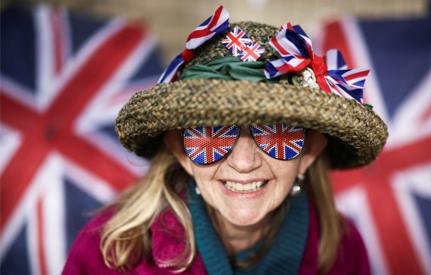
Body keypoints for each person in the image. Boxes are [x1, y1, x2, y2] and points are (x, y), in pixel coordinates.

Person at [63, 6, 387, 275]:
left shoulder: (343, 251)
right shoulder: (111, 253)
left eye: (274, 130)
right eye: (214, 132)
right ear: (181, 153)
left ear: (309, 152)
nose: (244, 163)